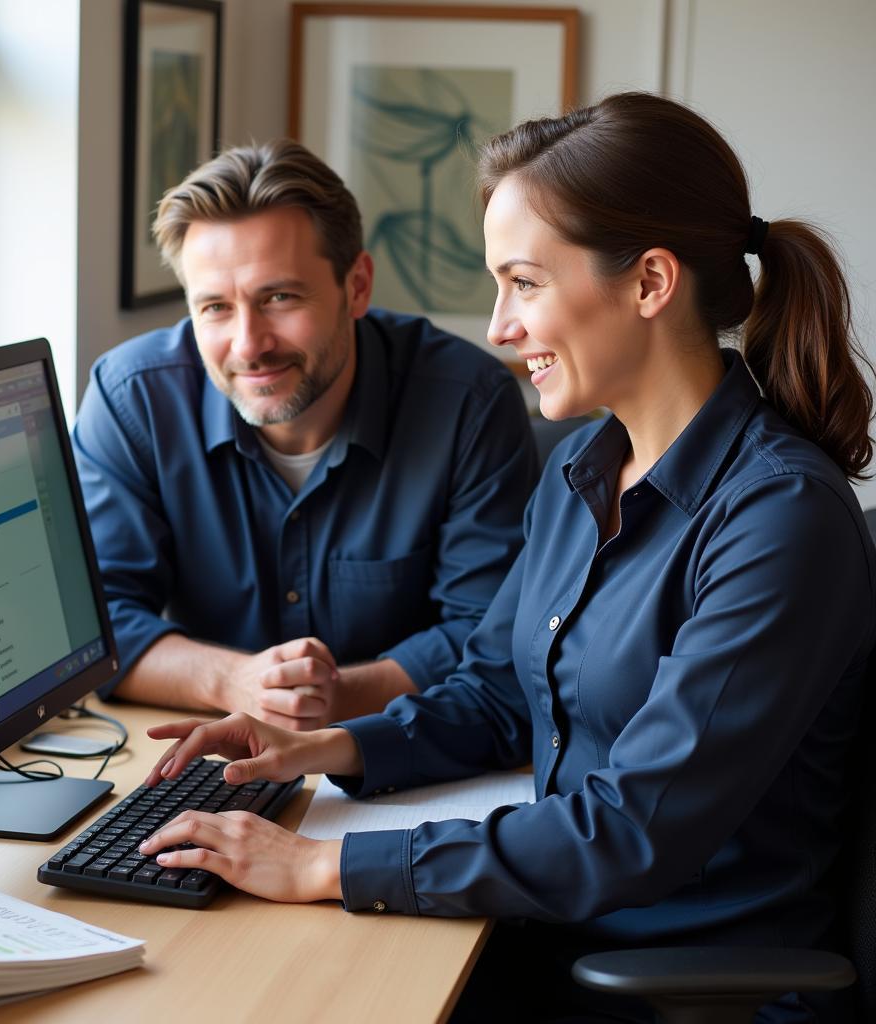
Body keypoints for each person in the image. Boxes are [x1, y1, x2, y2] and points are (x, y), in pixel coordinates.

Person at [135, 93, 876, 1022]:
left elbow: (630, 831)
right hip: (549, 933)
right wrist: (323, 748)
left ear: (650, 283)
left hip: (667, 987)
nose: (498, 326)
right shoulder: (581, 465)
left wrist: (325, 862)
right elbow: (496, 691)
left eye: (523, 284)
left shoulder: (778, 521)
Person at [73, 139, 537, 729]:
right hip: (208, 750)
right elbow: (95, 626)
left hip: (397, 751)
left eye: (280, 297)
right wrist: (238, 683)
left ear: (357, 286)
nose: (248, 344)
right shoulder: (131, 399)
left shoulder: (467, 402)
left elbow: (490, 633)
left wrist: (332, 698)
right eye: (214, 307)